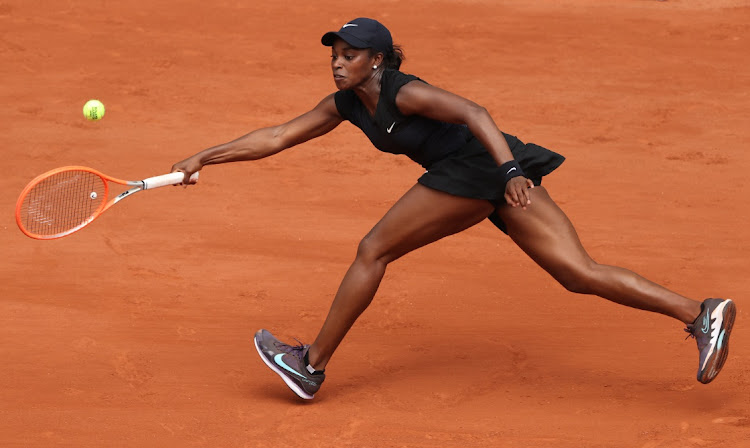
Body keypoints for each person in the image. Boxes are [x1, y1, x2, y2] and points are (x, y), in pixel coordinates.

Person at [171, 18, 736, 400]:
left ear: (377, 59)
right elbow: (277, 136)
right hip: (488, 172)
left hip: (482, 167)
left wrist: (511, 172)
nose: (339, 64)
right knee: (576, 272)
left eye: (351, 56)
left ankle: (310, 364)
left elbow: (476, 112)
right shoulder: (346, 104)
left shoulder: (404, 91)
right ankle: (699, 312)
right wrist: (204, 157)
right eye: (336, 56)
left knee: (374, 249)